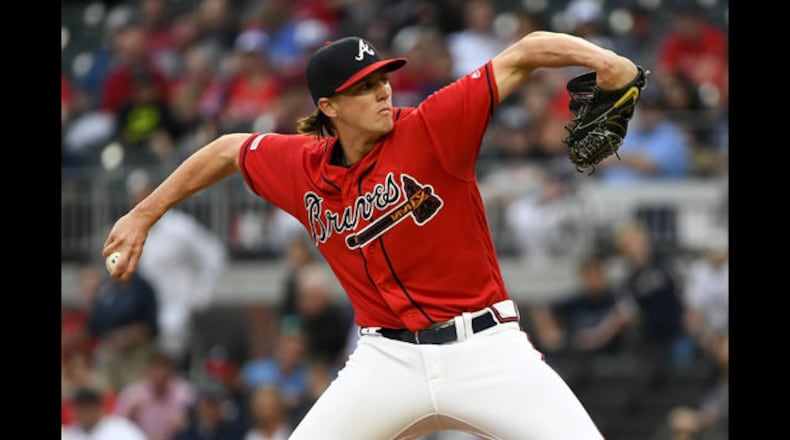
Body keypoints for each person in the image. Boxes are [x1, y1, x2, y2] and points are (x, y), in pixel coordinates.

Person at [104, 30, 641, 438]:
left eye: (382, 79)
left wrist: (608, 62)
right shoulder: (301, 166)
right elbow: (227, 150)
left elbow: (525, 51)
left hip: (484, 348)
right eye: (363, 88)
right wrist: (143, 214)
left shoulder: (433, 127)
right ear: (329, 107)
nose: (383, 92)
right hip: (386, 361)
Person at [125, 168, 228, 371]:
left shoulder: (179, 227)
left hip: (178, 311)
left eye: (145, 194)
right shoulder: (132, 231)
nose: (140, 200)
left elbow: (214, 254)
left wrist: (201, 297)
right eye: (136, 196)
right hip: (146, 313)